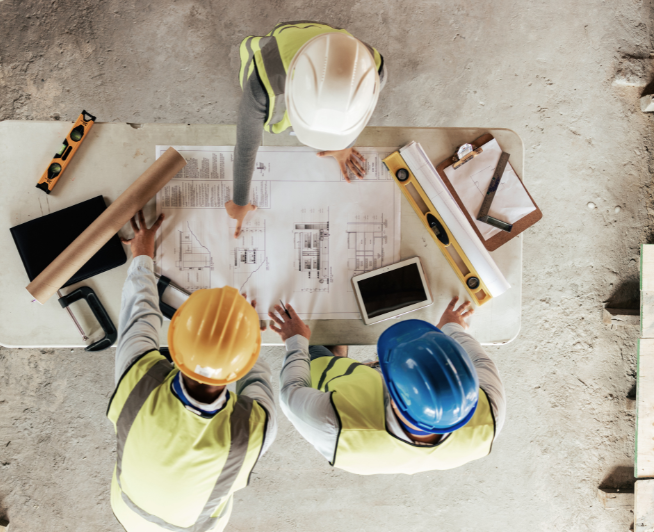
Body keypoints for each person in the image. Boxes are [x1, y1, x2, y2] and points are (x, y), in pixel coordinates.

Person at [108, 209, 277, 531]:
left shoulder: (137, 380)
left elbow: (139, 311)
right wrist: (244, 330)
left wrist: (142, 252)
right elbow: (256, 375)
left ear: (175, 342)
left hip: (128, 506)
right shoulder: (251, 431)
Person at [272, 297, 505, 475]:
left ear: (390, 391)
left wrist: (296, 340)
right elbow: (482, 362)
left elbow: (291, 390)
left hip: (342, 401)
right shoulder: (491, 413)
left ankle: (335, 356)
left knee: (319, 353)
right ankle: (339, 354)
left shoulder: (334, 424)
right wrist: (452, 328)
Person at [226, 21, 387, 237]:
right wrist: (239, 200)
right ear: (289, 93)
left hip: (331, 43)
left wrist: (344, 145)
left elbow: (357, 112)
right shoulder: (264, 79)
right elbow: (246, 146)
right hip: (282, 43)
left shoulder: (372, 70)